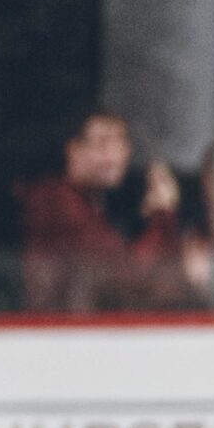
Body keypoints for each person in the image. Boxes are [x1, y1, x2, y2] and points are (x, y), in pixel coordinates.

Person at [13, 111, 200, 312]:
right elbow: (129, 276)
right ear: (73, 150)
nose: (114, 156)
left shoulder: (96, 203)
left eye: (120, 143)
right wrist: (163, 214)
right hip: (57, 336)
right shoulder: (52, 199)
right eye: (102, 144)